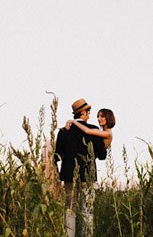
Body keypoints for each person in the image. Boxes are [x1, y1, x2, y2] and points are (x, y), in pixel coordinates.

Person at [54, 99, 107, 237]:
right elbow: (102, 155)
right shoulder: (94, 130)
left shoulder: (63, 131)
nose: (89, 114)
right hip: (88, 176)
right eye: (88, 111)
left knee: (69, 209)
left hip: (68, 176)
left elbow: (57, 155)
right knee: (87, 211)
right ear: (82, 112)